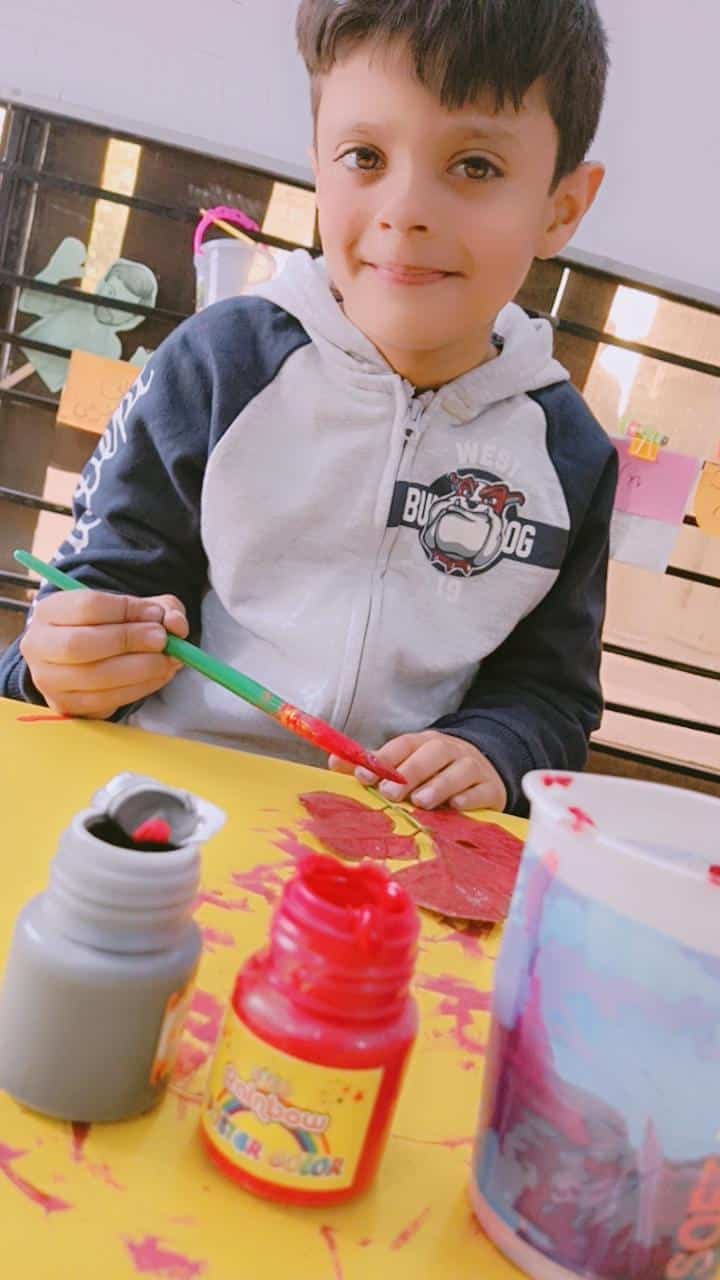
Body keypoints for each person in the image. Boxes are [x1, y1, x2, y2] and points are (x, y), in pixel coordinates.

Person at [0, 0, 617, 817]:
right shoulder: (218, 365)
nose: (406, 209)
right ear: (319, 165)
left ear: (561, 208)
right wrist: (69, 656)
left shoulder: (571, 456)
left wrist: (493, 750)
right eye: (365, 157)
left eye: (475, 166)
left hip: (390, 842)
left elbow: (550, 696)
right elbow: (98, 590)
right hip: (161, 805)